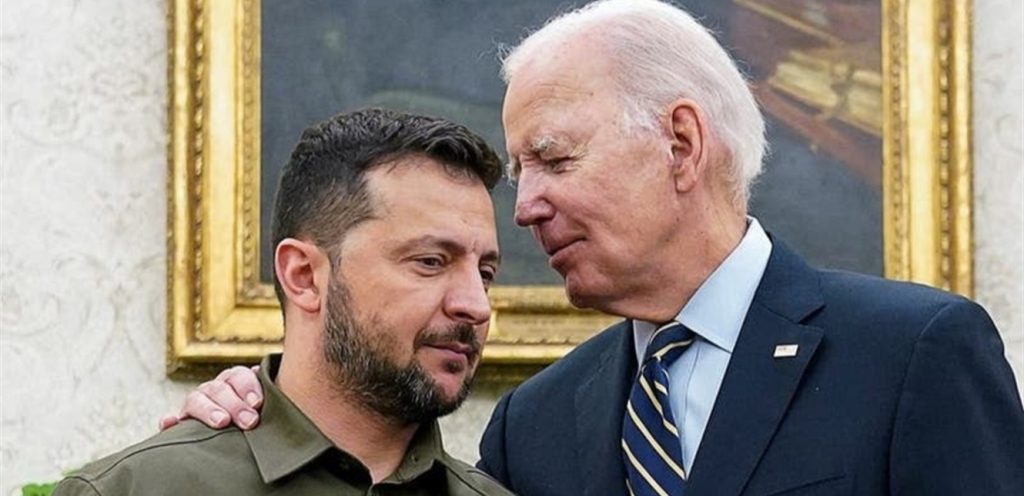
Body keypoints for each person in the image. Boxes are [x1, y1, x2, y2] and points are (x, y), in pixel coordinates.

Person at [167, 1, 1024, 495]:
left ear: (681, 144)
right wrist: (255, 415)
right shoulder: (535, 425)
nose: (526, 208)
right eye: (521, 173)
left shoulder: (914, 355)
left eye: (554, 159)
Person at [54, 108, 513, 495]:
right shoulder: (135, 488)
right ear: (304, 276)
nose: (476, 306)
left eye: (485, 273)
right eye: (431, 262)